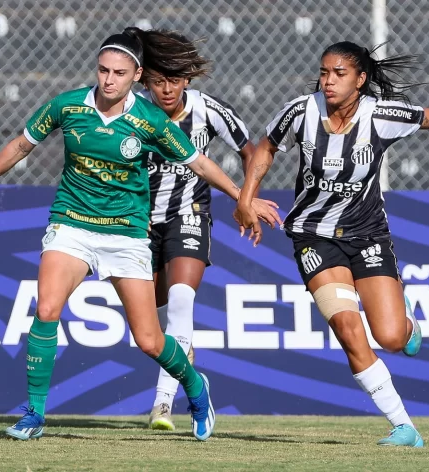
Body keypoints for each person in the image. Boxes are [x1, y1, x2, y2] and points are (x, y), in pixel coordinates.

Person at [0, 28, 280, 442]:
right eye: (103, 70)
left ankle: (196, 386)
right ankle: (34, 414)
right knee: (47, 309)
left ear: (136, 75)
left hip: (125, 234)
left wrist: (244, 199)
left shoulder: (150, 120)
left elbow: (200, 164)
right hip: (72, 223)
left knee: (149, 340)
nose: (108, 80)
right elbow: (20, 146)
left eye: (119, 73)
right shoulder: (67, 106)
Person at [234, 41, 429, 447]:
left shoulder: (381, 115)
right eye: (324, 72)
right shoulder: (301, 111)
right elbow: (266, 147)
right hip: (314, 237)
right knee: (347, 327)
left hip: (368, 235)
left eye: (339, 74)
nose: (328, 81)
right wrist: (245, 198)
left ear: (360, 80)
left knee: (391, 338)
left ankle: (405, 317)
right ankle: (403, 426)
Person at [133, 29, 260, 430]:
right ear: (143, 79)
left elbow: (249, 149)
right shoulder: (129, 108)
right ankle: (191, 376)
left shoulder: (209, 110)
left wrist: (246, 199)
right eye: (156, 80)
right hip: (136, 221)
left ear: (187, 78)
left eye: (174, 80)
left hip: (190, 213)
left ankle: (163, 404)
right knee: (155, 323)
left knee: (182, 300)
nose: (166, 89)